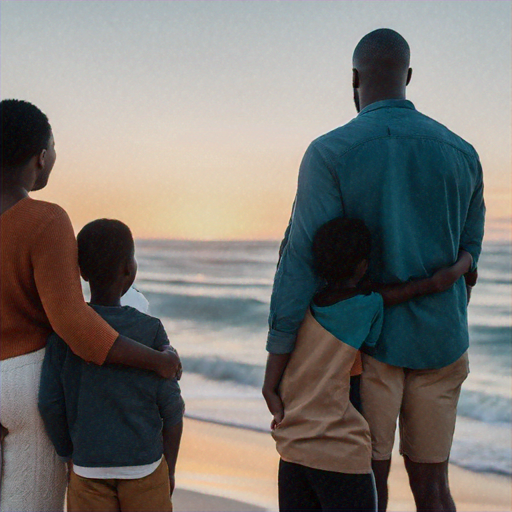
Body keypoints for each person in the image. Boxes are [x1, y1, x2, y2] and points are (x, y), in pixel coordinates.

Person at [263, 29, 485, 512]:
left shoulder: (331, 152)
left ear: (354, 79)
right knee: (433, 490)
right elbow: (470, 258)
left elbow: (299, 262)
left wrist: (276, 364)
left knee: (371, 489)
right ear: (407, 77)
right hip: (443, 344)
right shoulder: (463, 153)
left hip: (372, 352)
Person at [0, 99, 180, 512]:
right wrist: (154, 361)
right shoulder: (45, 219)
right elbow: (73, 323)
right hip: (27, 383)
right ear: (41, 158)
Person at [269, 217, 473, 512]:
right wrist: (467, 259)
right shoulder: (366, 306)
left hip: (292, 451)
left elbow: (285, 258)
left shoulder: (302, 308)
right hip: (339, 452)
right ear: (363, 266)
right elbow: (429, 286)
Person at [38, 219, 184, 512]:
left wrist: (69, 453)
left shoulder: (65, 334)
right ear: (129, 270)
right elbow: (172, 408)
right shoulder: (151, 330)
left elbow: (50, 403)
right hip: (145, 467)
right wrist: (169, 466)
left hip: (88, 470)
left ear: (83, 272)